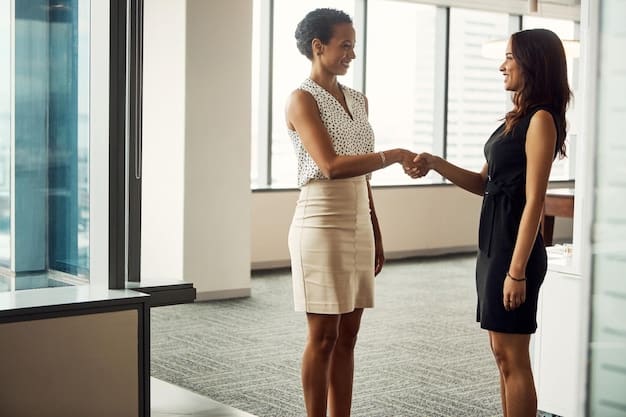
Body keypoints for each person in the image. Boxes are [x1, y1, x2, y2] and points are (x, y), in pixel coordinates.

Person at [407, 29, 571, 417]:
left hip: (515, 250)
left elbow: (535, 200)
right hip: (494, 244)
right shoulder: (514, 120)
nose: (503, 65)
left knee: (513, 358)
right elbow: (485, 184)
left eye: (510, 57)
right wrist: (435, 164)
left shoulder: (541, 120)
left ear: (532, 62)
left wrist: (516, 271)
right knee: (502, 353)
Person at [285, 8, 416, 417]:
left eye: (353, 47)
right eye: (345, 46)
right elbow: (330, 165)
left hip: (359, 215)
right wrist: (393, 155)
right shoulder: (301, 99)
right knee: (323, 335)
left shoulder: (358, 99)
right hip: (320, 221)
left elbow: (360, 173)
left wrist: (375, 229)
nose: (351, 55)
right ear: (317, 47)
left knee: (349, 336)